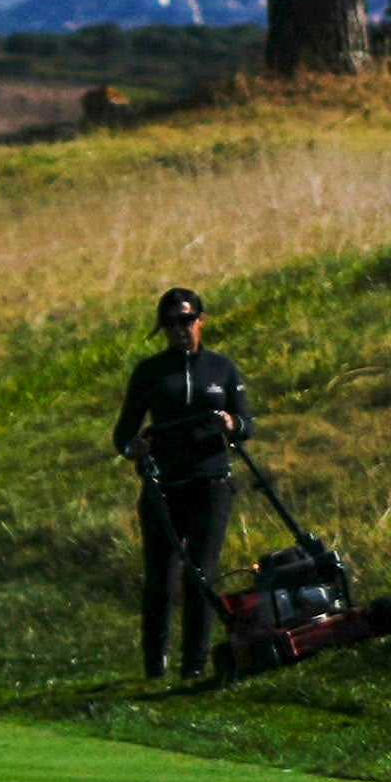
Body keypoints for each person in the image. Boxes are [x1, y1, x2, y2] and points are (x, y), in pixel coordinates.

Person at [109, 286, 253, 681]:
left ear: (201, 320)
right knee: (161, 580)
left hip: (211, 483)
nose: (180, 330)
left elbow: (246, 424)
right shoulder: (150, 372)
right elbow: (123, 434)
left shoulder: (222, 369)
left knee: (200, 576)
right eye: (171, 324)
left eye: (186, 320)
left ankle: (195, 664)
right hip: (164, 486)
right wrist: (132, 449)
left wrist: (231, 424)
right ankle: (155, 665)